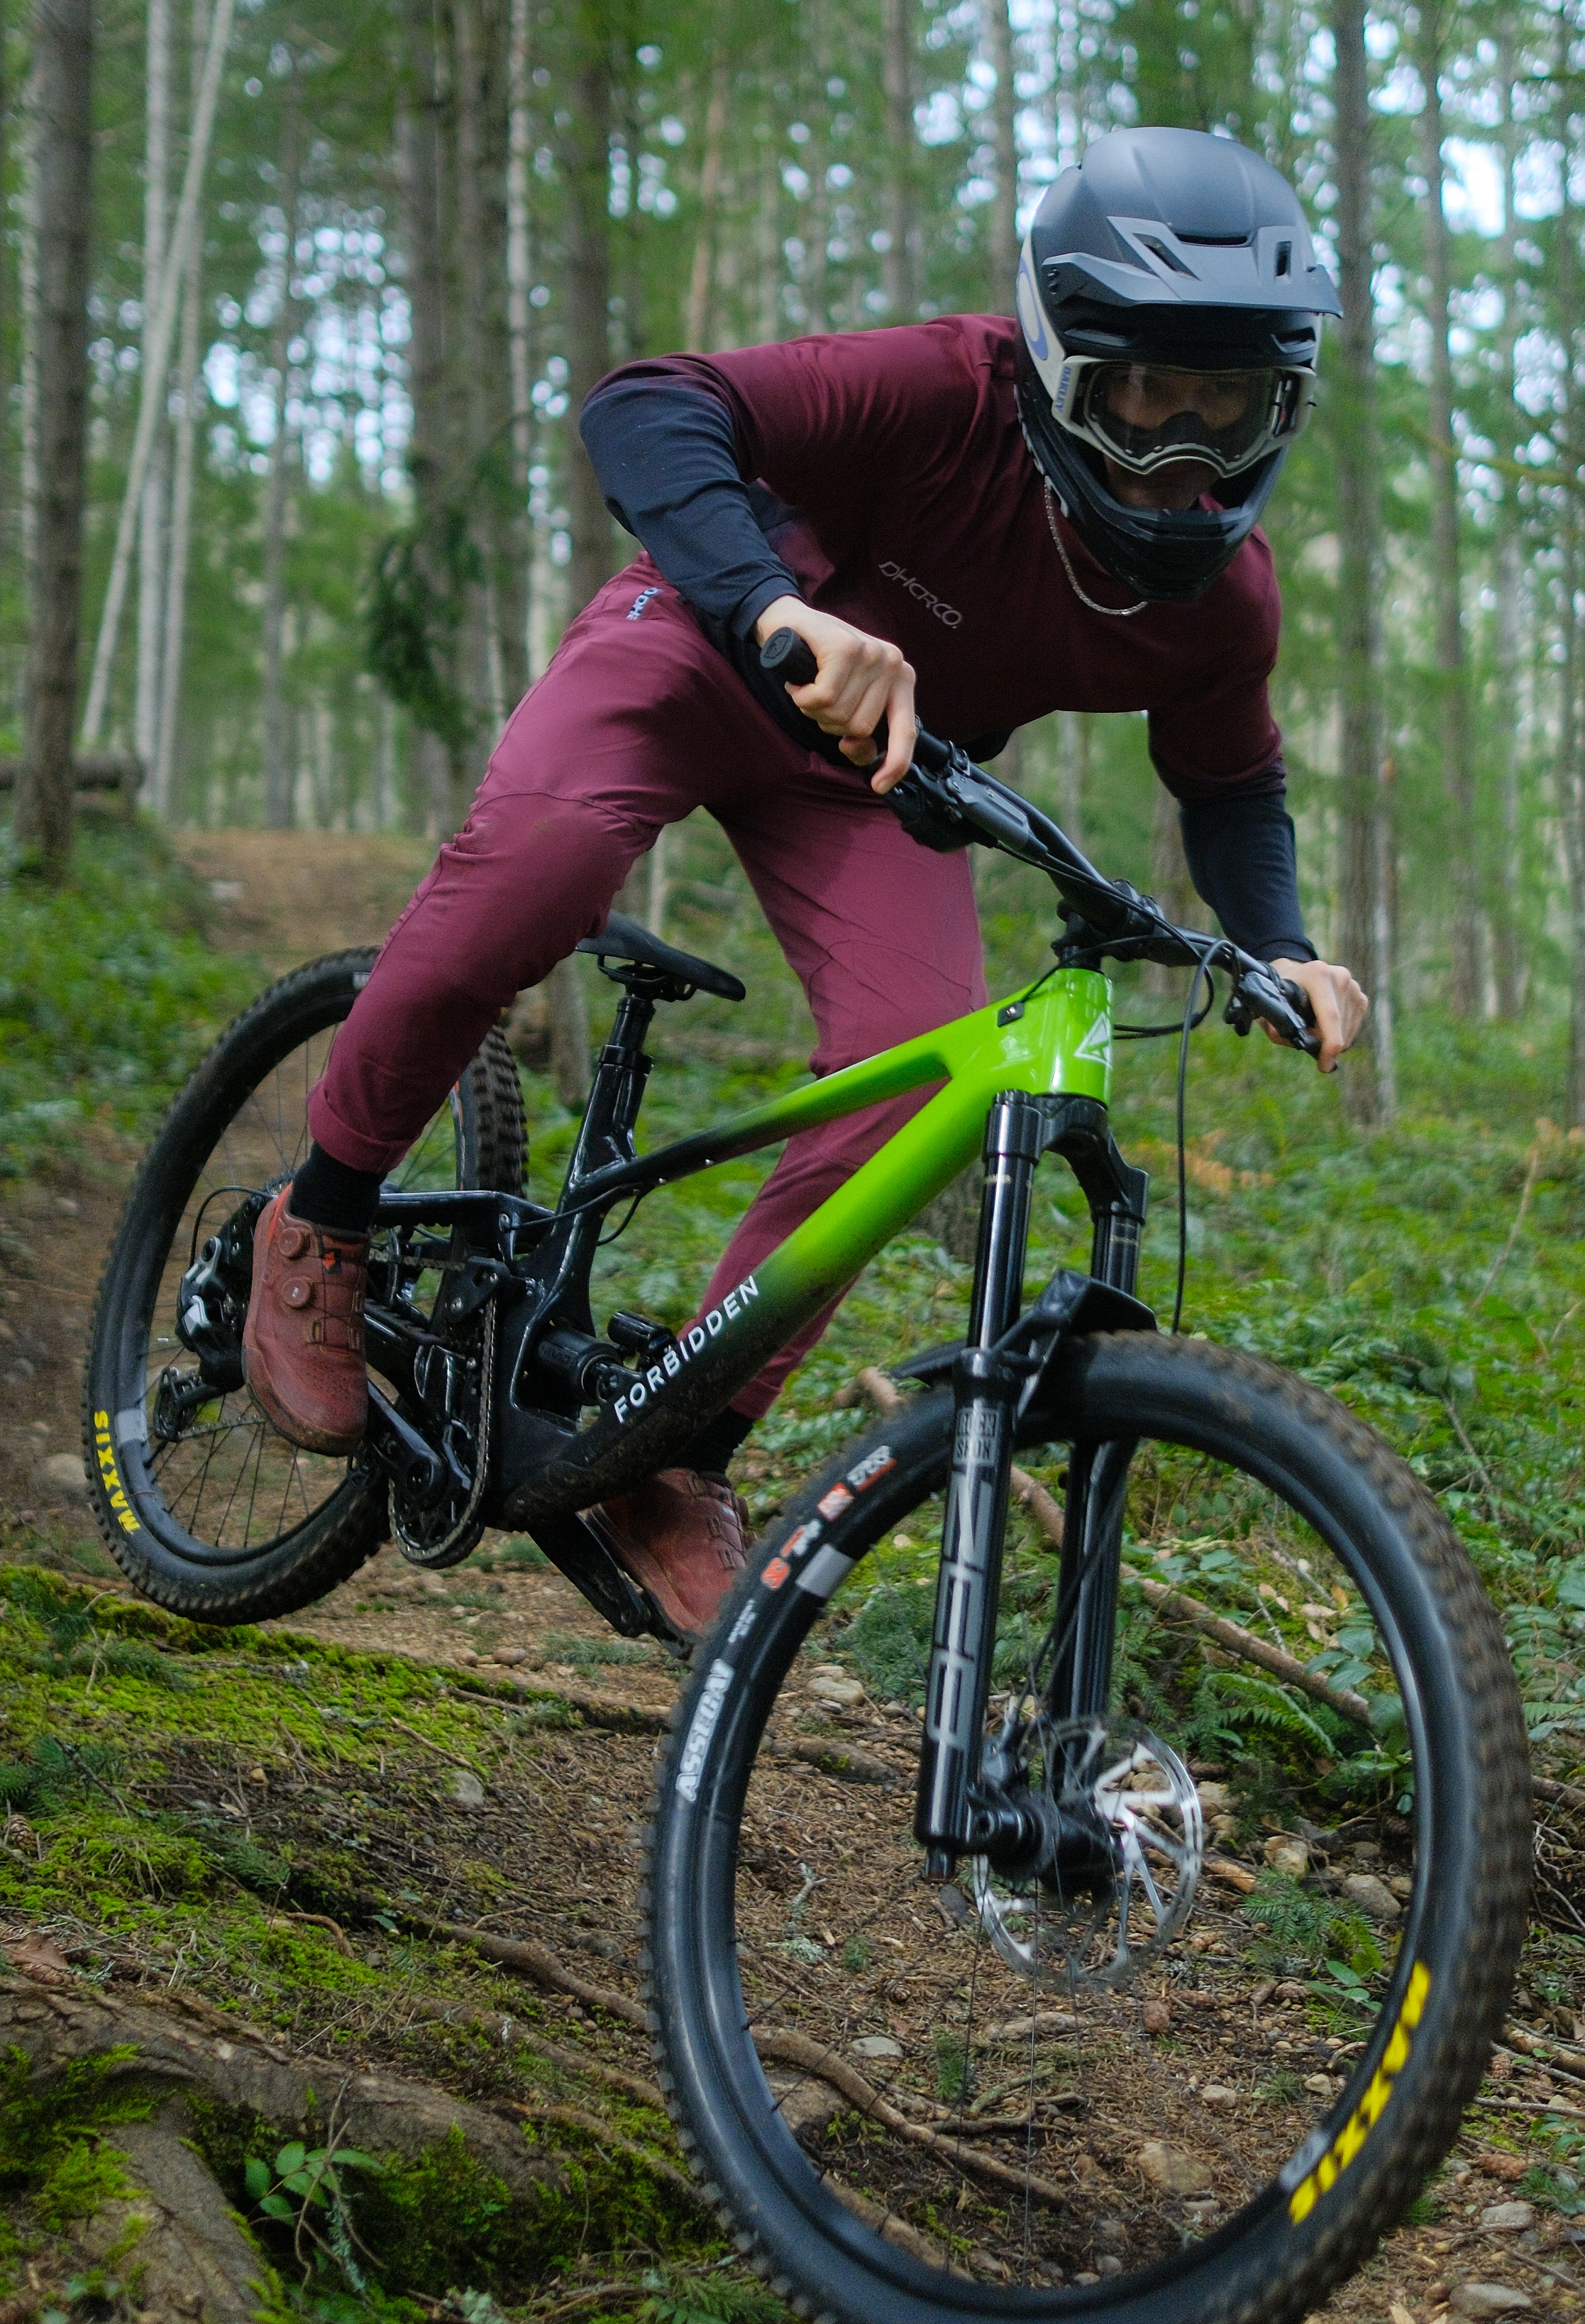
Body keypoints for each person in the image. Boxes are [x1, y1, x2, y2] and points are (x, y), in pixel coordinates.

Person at [242, 124, 1369, 1641]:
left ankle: (671, 1450)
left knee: (918, 1085)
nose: (1182, 455)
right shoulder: (938, 390)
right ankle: (319, 1215)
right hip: (704, 645)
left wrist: (1282, 945)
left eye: (1224, 408)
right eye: (1144, 399)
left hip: (880, 779)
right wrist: (777, 603)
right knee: (541, 868)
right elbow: (645, 405)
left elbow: (1231, 784)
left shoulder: (1221, 607)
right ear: (1055, 362)